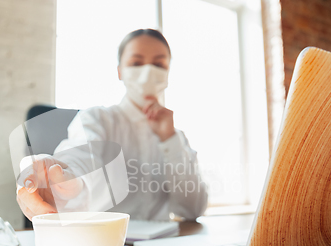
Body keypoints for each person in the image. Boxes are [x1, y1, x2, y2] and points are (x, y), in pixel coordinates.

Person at [17, 29, 207, 221]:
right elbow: (82, 155)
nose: (148, 72)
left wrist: (170, 140)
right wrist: (65, 176)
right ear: (119, 71)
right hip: (107, 245)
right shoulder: (97, 119)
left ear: (167, 73)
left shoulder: (176, 137)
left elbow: (193, 210)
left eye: (158, 64)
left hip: (162, 245)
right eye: (136, 63)